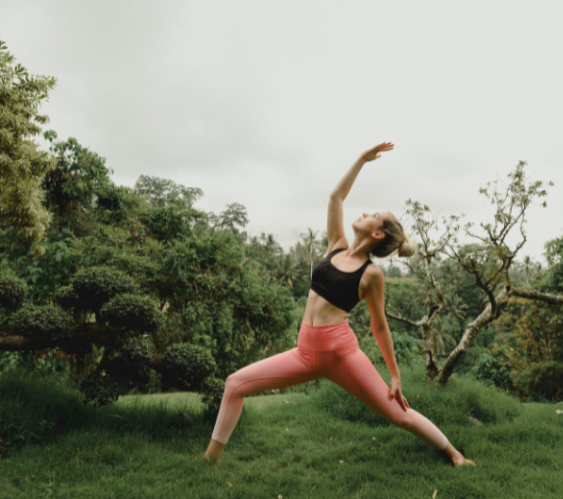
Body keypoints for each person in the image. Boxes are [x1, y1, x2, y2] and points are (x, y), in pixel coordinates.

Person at [204, 142, 475, 467]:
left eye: (374, 216)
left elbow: (379, 325)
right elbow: (336, 198)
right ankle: (209, 461)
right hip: (304, 353)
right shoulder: (336, 246)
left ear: (377, 234)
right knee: (235, 384)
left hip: (341, 356)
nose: (365, 214)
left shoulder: (371, 274)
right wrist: (362, 159)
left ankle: (454, 454)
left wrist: (395, 374)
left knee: (398, 415)